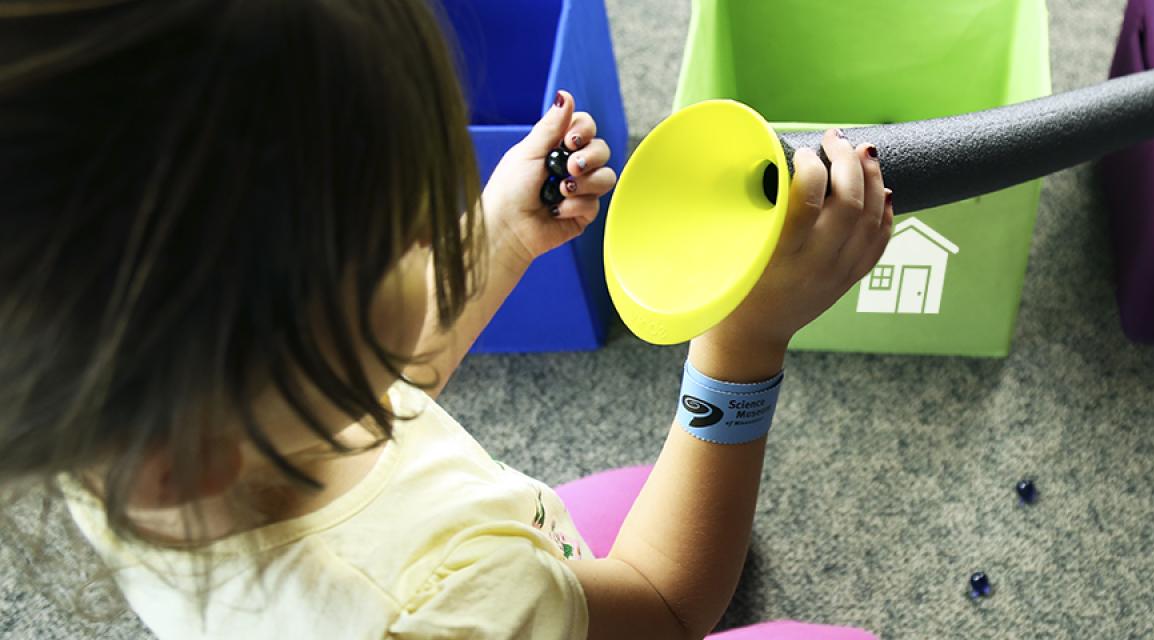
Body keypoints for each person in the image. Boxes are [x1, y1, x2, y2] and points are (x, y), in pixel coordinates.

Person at [0, 1, 891, 638]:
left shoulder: (106, 426)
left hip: (498, 571)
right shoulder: (459, 602)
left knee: (607, 523)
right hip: (520, 603)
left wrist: (500, 238)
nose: (434, 232)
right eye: (395, 243)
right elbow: (663, 600)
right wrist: (743, 342)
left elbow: (351, 395)